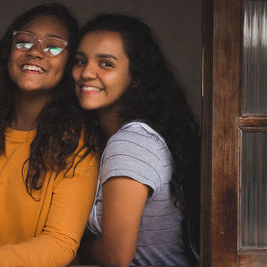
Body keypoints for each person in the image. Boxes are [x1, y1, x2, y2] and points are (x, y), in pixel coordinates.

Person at [0, 3, 99, 267]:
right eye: (24, 42)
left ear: (70, 65)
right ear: (8, 52)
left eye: (53, 46)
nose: (35, 51)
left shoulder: (77, 143)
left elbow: (60, 242)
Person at [72, 14, 200, 266]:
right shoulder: (107, 139)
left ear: (136, 77)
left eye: (106, 64)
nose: (86, 72)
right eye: (80, 61)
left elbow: (116, 256)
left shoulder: (131, 143)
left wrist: (67, 247)